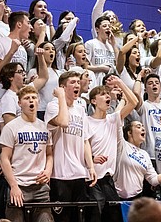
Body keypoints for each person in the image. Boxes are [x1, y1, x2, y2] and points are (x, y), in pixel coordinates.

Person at [44, 71, 96, 222]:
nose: (77, 85)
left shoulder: (80, 110)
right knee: (62, 218)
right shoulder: (52, 106)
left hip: (79, 173)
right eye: (72, 82)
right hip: (60, 174)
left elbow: (85, 140)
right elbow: (63, 122)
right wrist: (60, 96)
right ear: (62, 87)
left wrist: (91, 167)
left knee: (80, 218)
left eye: (78, 82)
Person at [86, 75, 138, 222]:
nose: (107, 96)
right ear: (94, 101)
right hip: (92, 177)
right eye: (102, 94)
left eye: (108, 94)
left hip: (108, 179)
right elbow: (81, 146)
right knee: (95, 215)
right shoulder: (87, 121)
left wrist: (120, 83)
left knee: (115, 215)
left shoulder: (113, 119)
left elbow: (133, 101)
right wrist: (91, 159)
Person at [0, 86, 54, 222]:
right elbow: (4, 158)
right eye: (26, 98)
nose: (31, 100)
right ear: (19, 103)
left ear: (38, 101)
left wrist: (48, 171)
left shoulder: (45, 127)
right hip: (18, 184)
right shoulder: (11, 127)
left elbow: (49, 154)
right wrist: (13, 186)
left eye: (34, 97)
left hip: (40, 186)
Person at [114, 121, 161, 200]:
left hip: (137, 198)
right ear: (129, 133)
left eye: (143, 127)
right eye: (138, 127)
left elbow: (154, 180)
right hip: (118, 198)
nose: (143, 129)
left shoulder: (145, 154)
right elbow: (117, 120)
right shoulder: (122, 145)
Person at [85, 15, 117, 85]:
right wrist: (102, 68)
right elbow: (85, 66)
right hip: (97, 81)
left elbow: (118, 65)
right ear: (97, 29)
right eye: (104, 26)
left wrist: (114, 45)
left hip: (111, 82)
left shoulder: (111, 46)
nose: (108, 28)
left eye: (109, 26)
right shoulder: (90, 43)